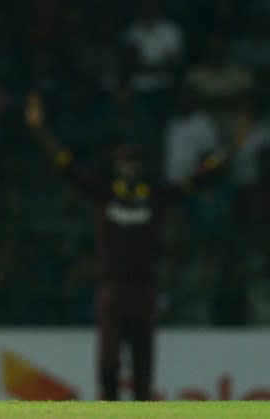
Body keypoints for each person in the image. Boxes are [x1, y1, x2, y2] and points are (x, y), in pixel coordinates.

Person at [23, 92, 243, 401]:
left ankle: (140, 410)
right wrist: (38, 129)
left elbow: (197, 179)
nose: (130, 167)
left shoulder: (155, 197)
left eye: (134, 162)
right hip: (112, 287)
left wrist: (230, 150)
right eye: (125, 161)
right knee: (108, 363)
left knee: (143, 363)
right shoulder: (103, 193)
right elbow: (66, 166)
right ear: (116, 165)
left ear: (141, 166)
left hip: (144, 288)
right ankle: (111, 409)